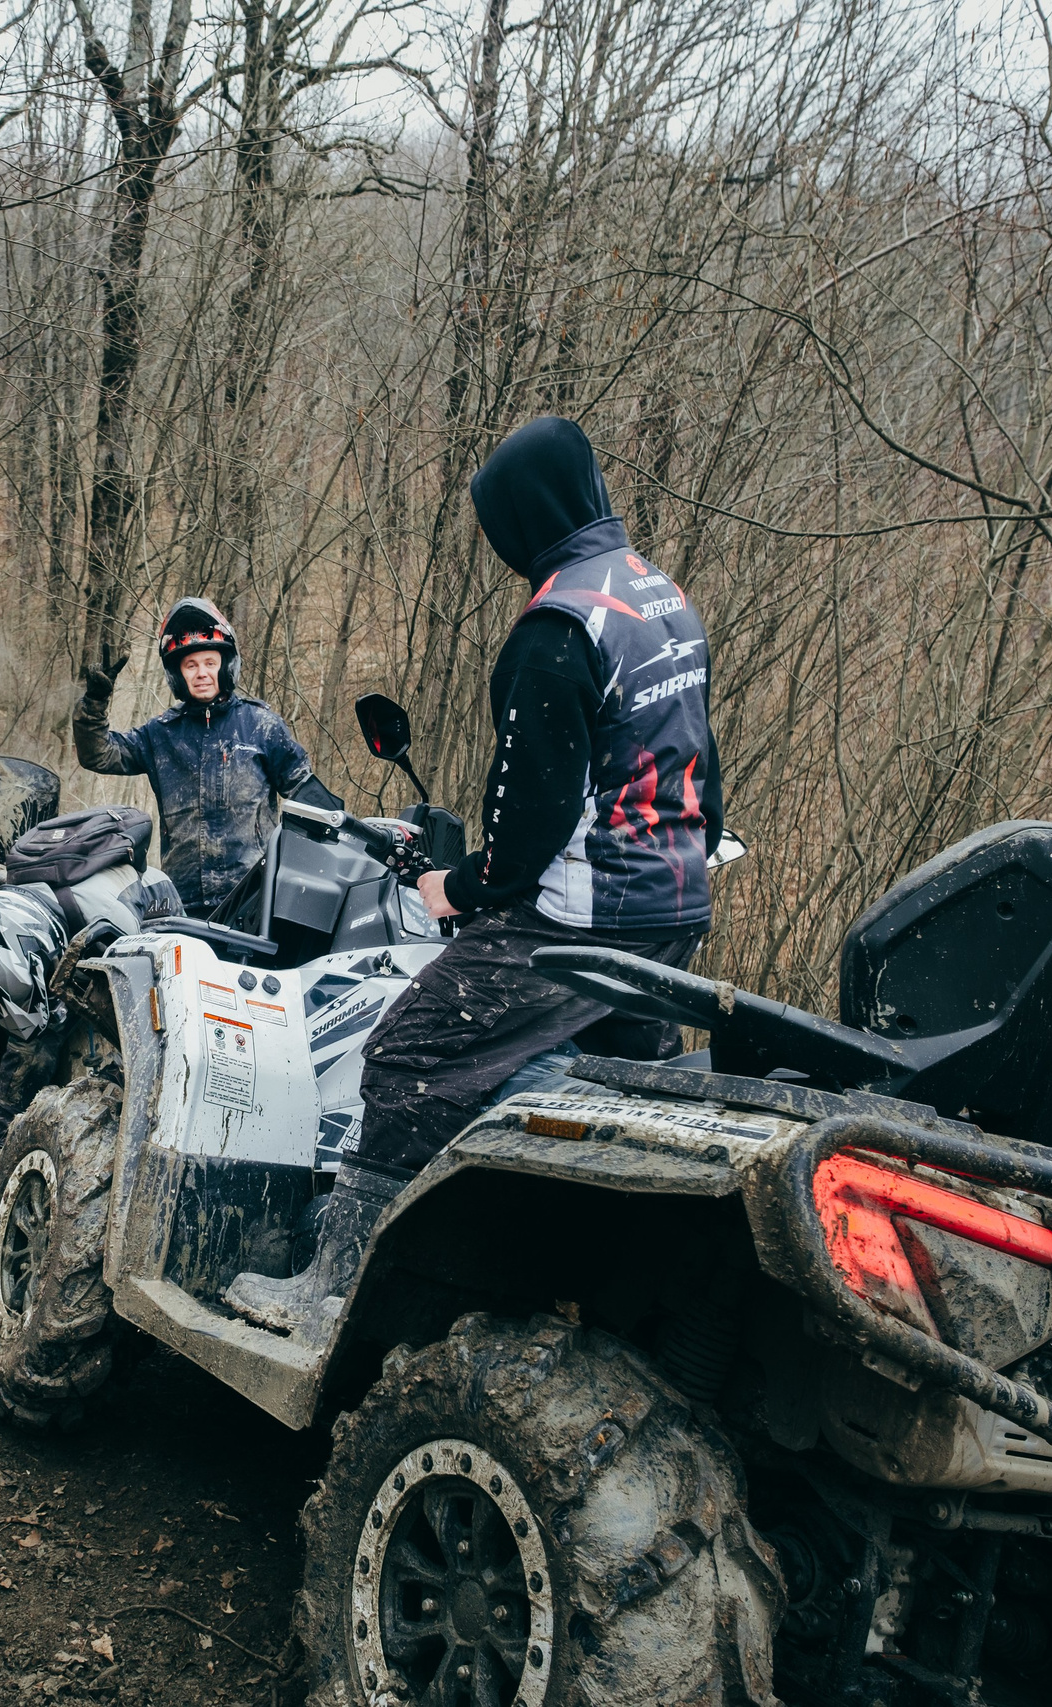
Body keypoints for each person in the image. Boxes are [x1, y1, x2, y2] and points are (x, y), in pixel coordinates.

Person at [224, 416, 722, 1342]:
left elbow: (526, 828)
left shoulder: (554, 630)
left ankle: (330, 1295)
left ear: (518, 521)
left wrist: (461, 887)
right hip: (673, 908)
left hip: (582, 921)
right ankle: (589, 1312)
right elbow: (698, 758)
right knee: (615, 1098)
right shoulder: (659, 593)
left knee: (409, 1056)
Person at [74, 596, 343, 915]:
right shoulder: (159, 734)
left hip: (254, 898)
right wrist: (95, 701)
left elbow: (310, 799)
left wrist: (339, 849)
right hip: (179, 903)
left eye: (209, 663)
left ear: (225, 665)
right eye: (191, 665)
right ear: (178, 674)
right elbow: (98, 755)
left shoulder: (260, 726)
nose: (201, 673)